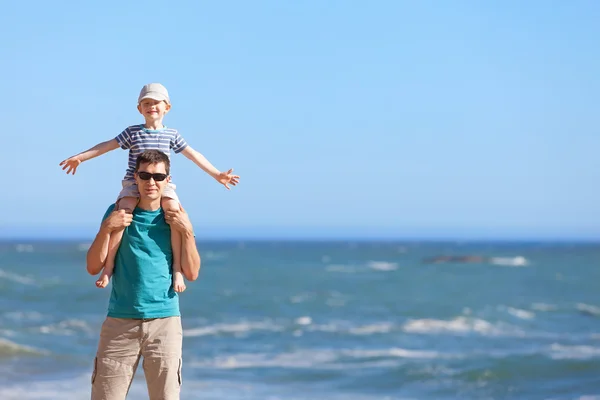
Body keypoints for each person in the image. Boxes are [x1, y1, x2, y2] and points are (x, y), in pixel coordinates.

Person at [60, 83, 239, 292]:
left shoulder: (172, 134)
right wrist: (80, 157)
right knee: (122, 215)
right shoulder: (133, 132)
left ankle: (177, 271)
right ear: (139, 109)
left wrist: (217, 174)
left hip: (164, 184)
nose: (151, 106)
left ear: (167, 108)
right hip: (133, 183)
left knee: (174, 216)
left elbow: (193, 154)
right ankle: (108, 268)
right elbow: (107, 145)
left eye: (156, 103)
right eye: (146, 103)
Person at [87, 150, 200, 400]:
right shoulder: (118, 211)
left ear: (168, 180)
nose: (151, 182)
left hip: (165, 323)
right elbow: (93, 267)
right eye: (145, 175)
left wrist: (188, 232)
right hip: (120, 323)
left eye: (158, 176)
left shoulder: (175, 217)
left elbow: (191, 272)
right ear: (134, 178)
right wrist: (107, 228)